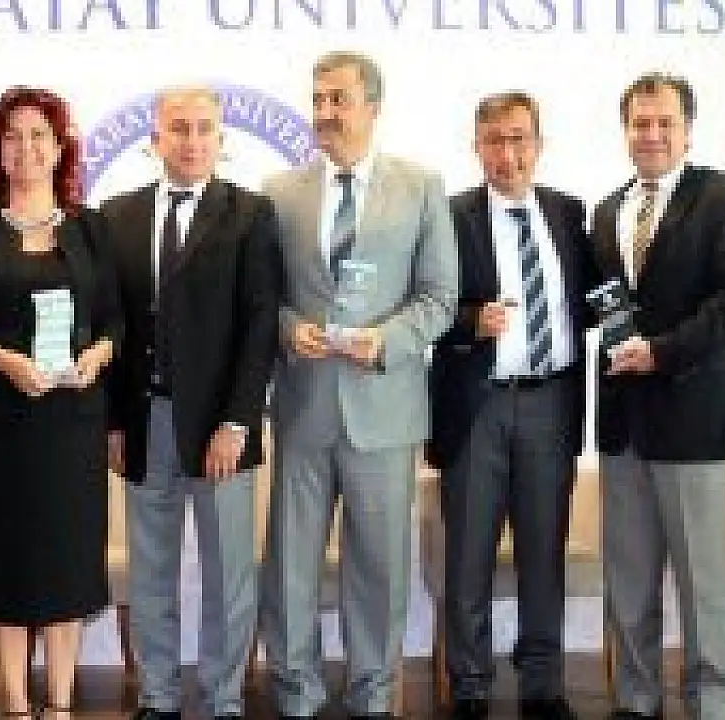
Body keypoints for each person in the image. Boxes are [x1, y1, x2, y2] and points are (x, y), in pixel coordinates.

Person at [259, 50, 459, 719]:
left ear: (373, 106)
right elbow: (262, 298)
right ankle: (296, 692)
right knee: (291, 565)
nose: (324, 112)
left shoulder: (421, 187)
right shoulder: (279, 193)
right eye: (317, 99)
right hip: (303, 406)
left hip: (385, 408)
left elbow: (440, 297)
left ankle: (373, 695)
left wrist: (388, 341)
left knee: (379, 566)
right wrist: (290, 329)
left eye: (338, 99)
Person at [0, 86, 123, 719]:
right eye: (12, 136)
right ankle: (16, 702)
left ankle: (60, 703)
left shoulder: (91, 227)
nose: (26, 147)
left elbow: (117, 322)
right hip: (0, 425)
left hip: (72, 425)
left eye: (39, 134)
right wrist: (2, 360)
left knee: (68, 564)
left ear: (60, 147)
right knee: (8, 563)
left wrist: (99, 354)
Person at [101, 87, 280, 720]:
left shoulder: (250, 214)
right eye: (179, 128)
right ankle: (157, 696)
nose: (192, 140)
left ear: (221, 139)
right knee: (151, 570)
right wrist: (113, 422)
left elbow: (260, 324)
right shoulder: (116, 217)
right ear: (155, 139)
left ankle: (224, 698)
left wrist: (238, 421)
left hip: (219, 427)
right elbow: (109, 325)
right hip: (144, 422)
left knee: (229, 570)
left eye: (205, 128)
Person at [594, 72, 725, 720]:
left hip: (695, 424)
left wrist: (661, 351)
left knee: (704, 586)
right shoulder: (607, 211)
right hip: (624, 428)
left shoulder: (724, 196)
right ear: (626, 131)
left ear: (688, 130)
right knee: (629, 582)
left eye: (665, 122)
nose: (652, 134)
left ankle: (714, 702)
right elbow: (604, 307)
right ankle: (636, 700)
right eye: (640, 123)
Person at [427, 92, 597, 720]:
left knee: (543, 552)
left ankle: (542, 685)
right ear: (476, 148)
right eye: (494, 140)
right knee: (468, 554)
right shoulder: (449, 217)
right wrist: (471, 320)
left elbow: (595, 298)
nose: (508, 153)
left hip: (551, 401)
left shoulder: (570, 213)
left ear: (539, 144)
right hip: (478, 408)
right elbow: (426, 305)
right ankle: (470, 685)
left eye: (519, 138)